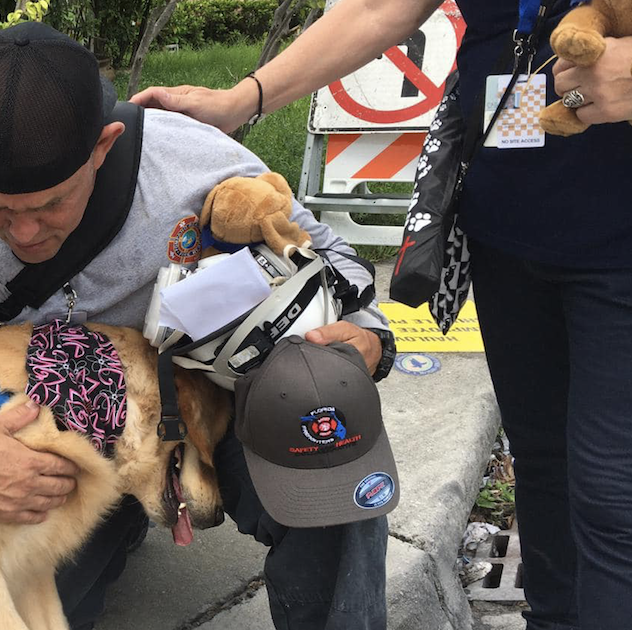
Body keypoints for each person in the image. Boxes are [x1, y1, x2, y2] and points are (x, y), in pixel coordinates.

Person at [0, 21, 395, 630]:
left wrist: (370, 337)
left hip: (200, 397)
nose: (24, 233)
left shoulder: (192, 163)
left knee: (326, 429)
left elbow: (330, 257)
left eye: (51, 205)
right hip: (64, 444)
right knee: (6, 606)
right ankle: (118, 521)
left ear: (103, 146)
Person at [133, 2, 632, 629]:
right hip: (510, 231)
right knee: (543, 462)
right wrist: (242, 99)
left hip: (619, 242)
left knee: (612, 495)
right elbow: (377, 9)